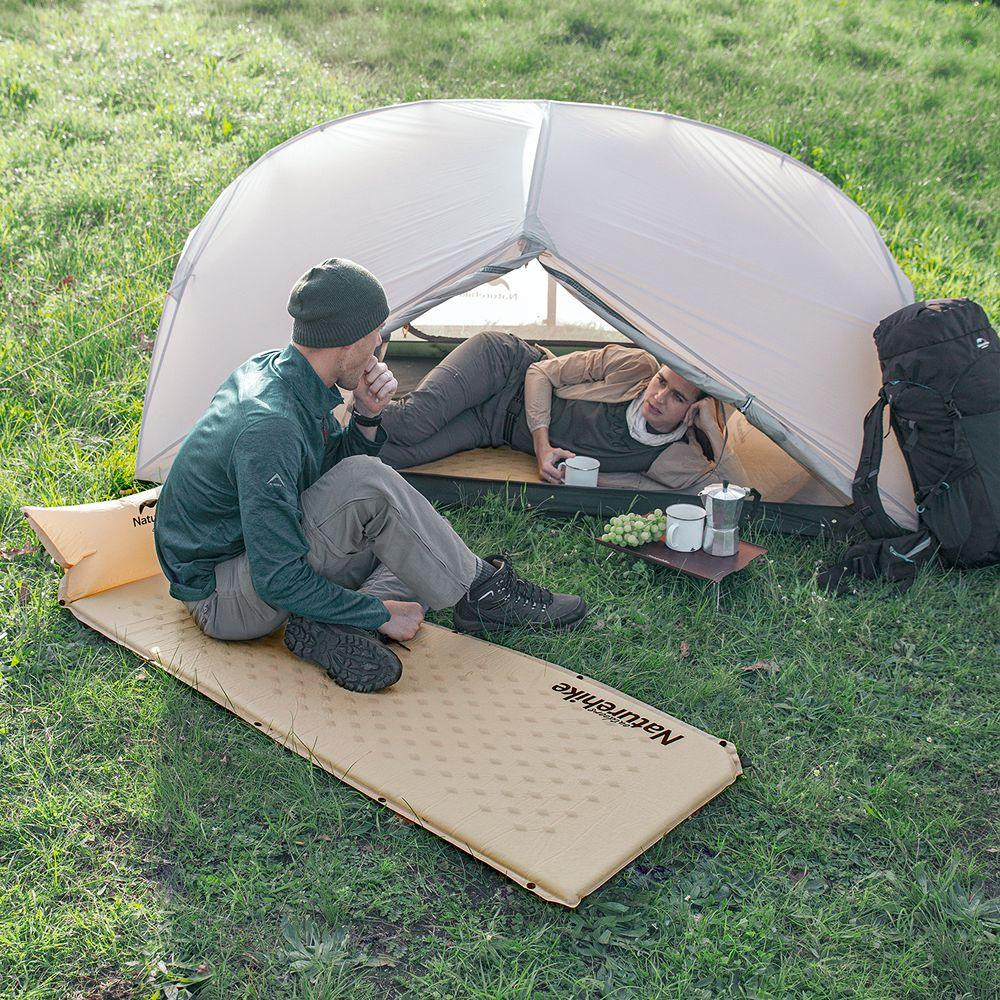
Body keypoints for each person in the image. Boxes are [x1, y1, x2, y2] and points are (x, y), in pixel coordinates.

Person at [152, 260, 587, 695]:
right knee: (379, 498)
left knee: (412, 542)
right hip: (220, 597)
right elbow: (277, 577)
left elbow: (327, 476)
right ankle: (480, 596)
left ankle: (338, 629)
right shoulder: (271, 427)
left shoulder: (282, 374)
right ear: (349, 341)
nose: (380, 345)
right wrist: (377, 611)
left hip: (249, 554)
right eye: (377, 333)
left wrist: (366, 417)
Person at [377, 330, 727, 488]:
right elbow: (539, 372)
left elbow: (735, 496)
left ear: (692, 410)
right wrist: (542, 447)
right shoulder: (634, 366)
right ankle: (342, 399)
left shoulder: (670, 457)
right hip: (504, 368)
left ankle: (331, 444)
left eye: (677, 398)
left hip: (493, 427)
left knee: (395, 456)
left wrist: (712, 428)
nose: (659, 396)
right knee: (411, 422)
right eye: (662, 381)